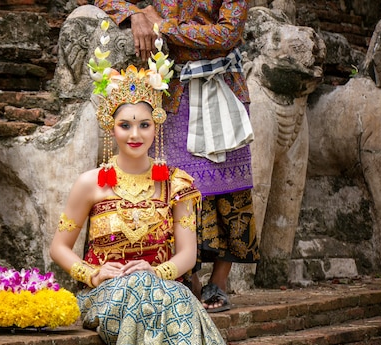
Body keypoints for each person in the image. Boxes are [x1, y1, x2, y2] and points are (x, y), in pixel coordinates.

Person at [50, 26, 335, 345]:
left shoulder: (177, 184)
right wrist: (94, 274)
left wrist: (155, 270)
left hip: (161, 285)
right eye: (125, 125)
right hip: (104, 293)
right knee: (150, 291)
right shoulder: (91, 184)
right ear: (110, 127)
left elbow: (186, 256)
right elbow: (59, 248)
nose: (135, 134)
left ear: (157, 127)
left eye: (144, 125)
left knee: (174, 293)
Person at [95, 0, 260, 313]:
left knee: (231, 192)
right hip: (174, 94)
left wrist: (161, 26)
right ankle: (188, 277)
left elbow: (226, 35)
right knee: (179, 189)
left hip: (222, 91)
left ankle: (219, 281)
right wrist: (135, 14)